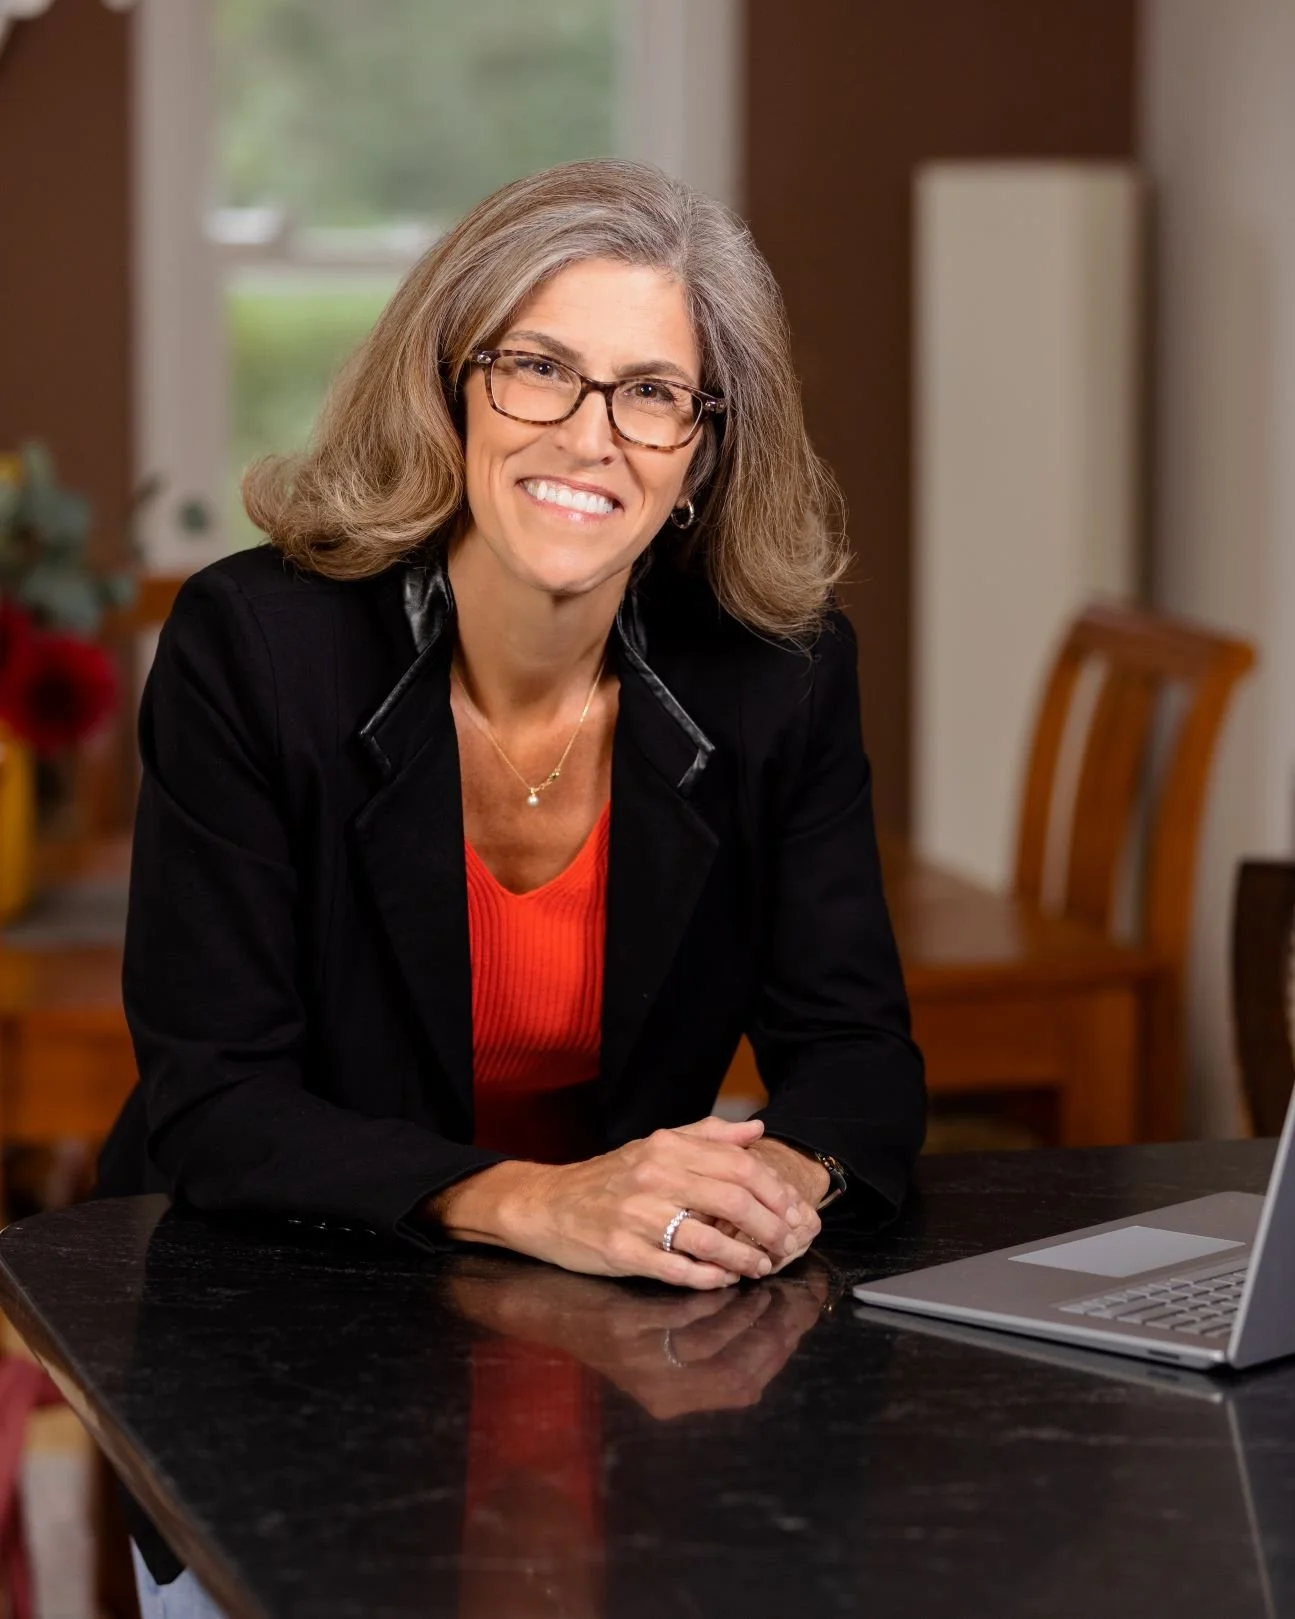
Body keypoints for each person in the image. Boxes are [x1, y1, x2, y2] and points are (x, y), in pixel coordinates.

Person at [99, 152, 925, 1613]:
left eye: (652, 392)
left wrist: (779, 1183)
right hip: (281, 1337)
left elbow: (855, 1055)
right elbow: (212, 1101)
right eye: (539, 367)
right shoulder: (256, 646)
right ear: (453, 387)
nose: (591, 435)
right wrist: (542, 1199)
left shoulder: (780, 681)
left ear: (702, 453)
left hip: (609, 1348)